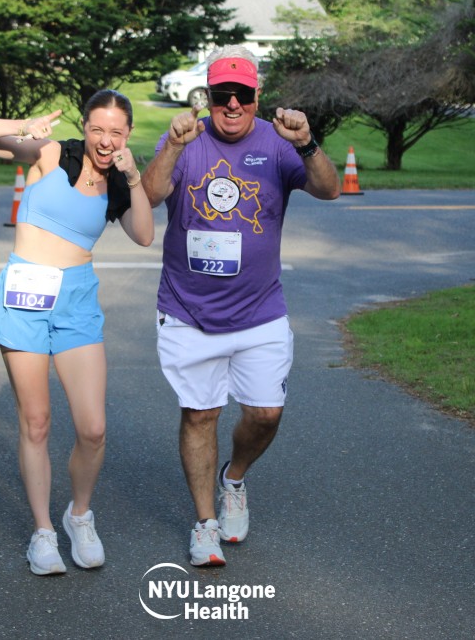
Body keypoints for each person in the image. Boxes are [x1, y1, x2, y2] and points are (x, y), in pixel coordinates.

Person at [142, 46, 340, 566]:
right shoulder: (186, 137)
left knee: (266, 414)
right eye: (222, 94)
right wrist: (172, 147)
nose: (233, 104)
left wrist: (307, 143)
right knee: (200, 414)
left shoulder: (277, 142)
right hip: (188, 310)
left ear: (257, 96)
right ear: (208, 96)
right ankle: (205, 524)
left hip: (260, 311)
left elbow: (330, 190)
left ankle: (234, 478)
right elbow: (151, 193)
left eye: (243, 94)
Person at [0, 90, 154, 575]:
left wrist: (133, 176)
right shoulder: (50, 153)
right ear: (84, 127)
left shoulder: (119, 181)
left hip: (77, 300)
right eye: (97, 129)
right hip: (25, 295)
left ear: (128, 134)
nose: (105, 140)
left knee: (93, 428)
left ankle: (79, 515)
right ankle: (43, 532)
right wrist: (22, 125)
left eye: (116, 132)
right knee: (36, 421)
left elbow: (145, 235)